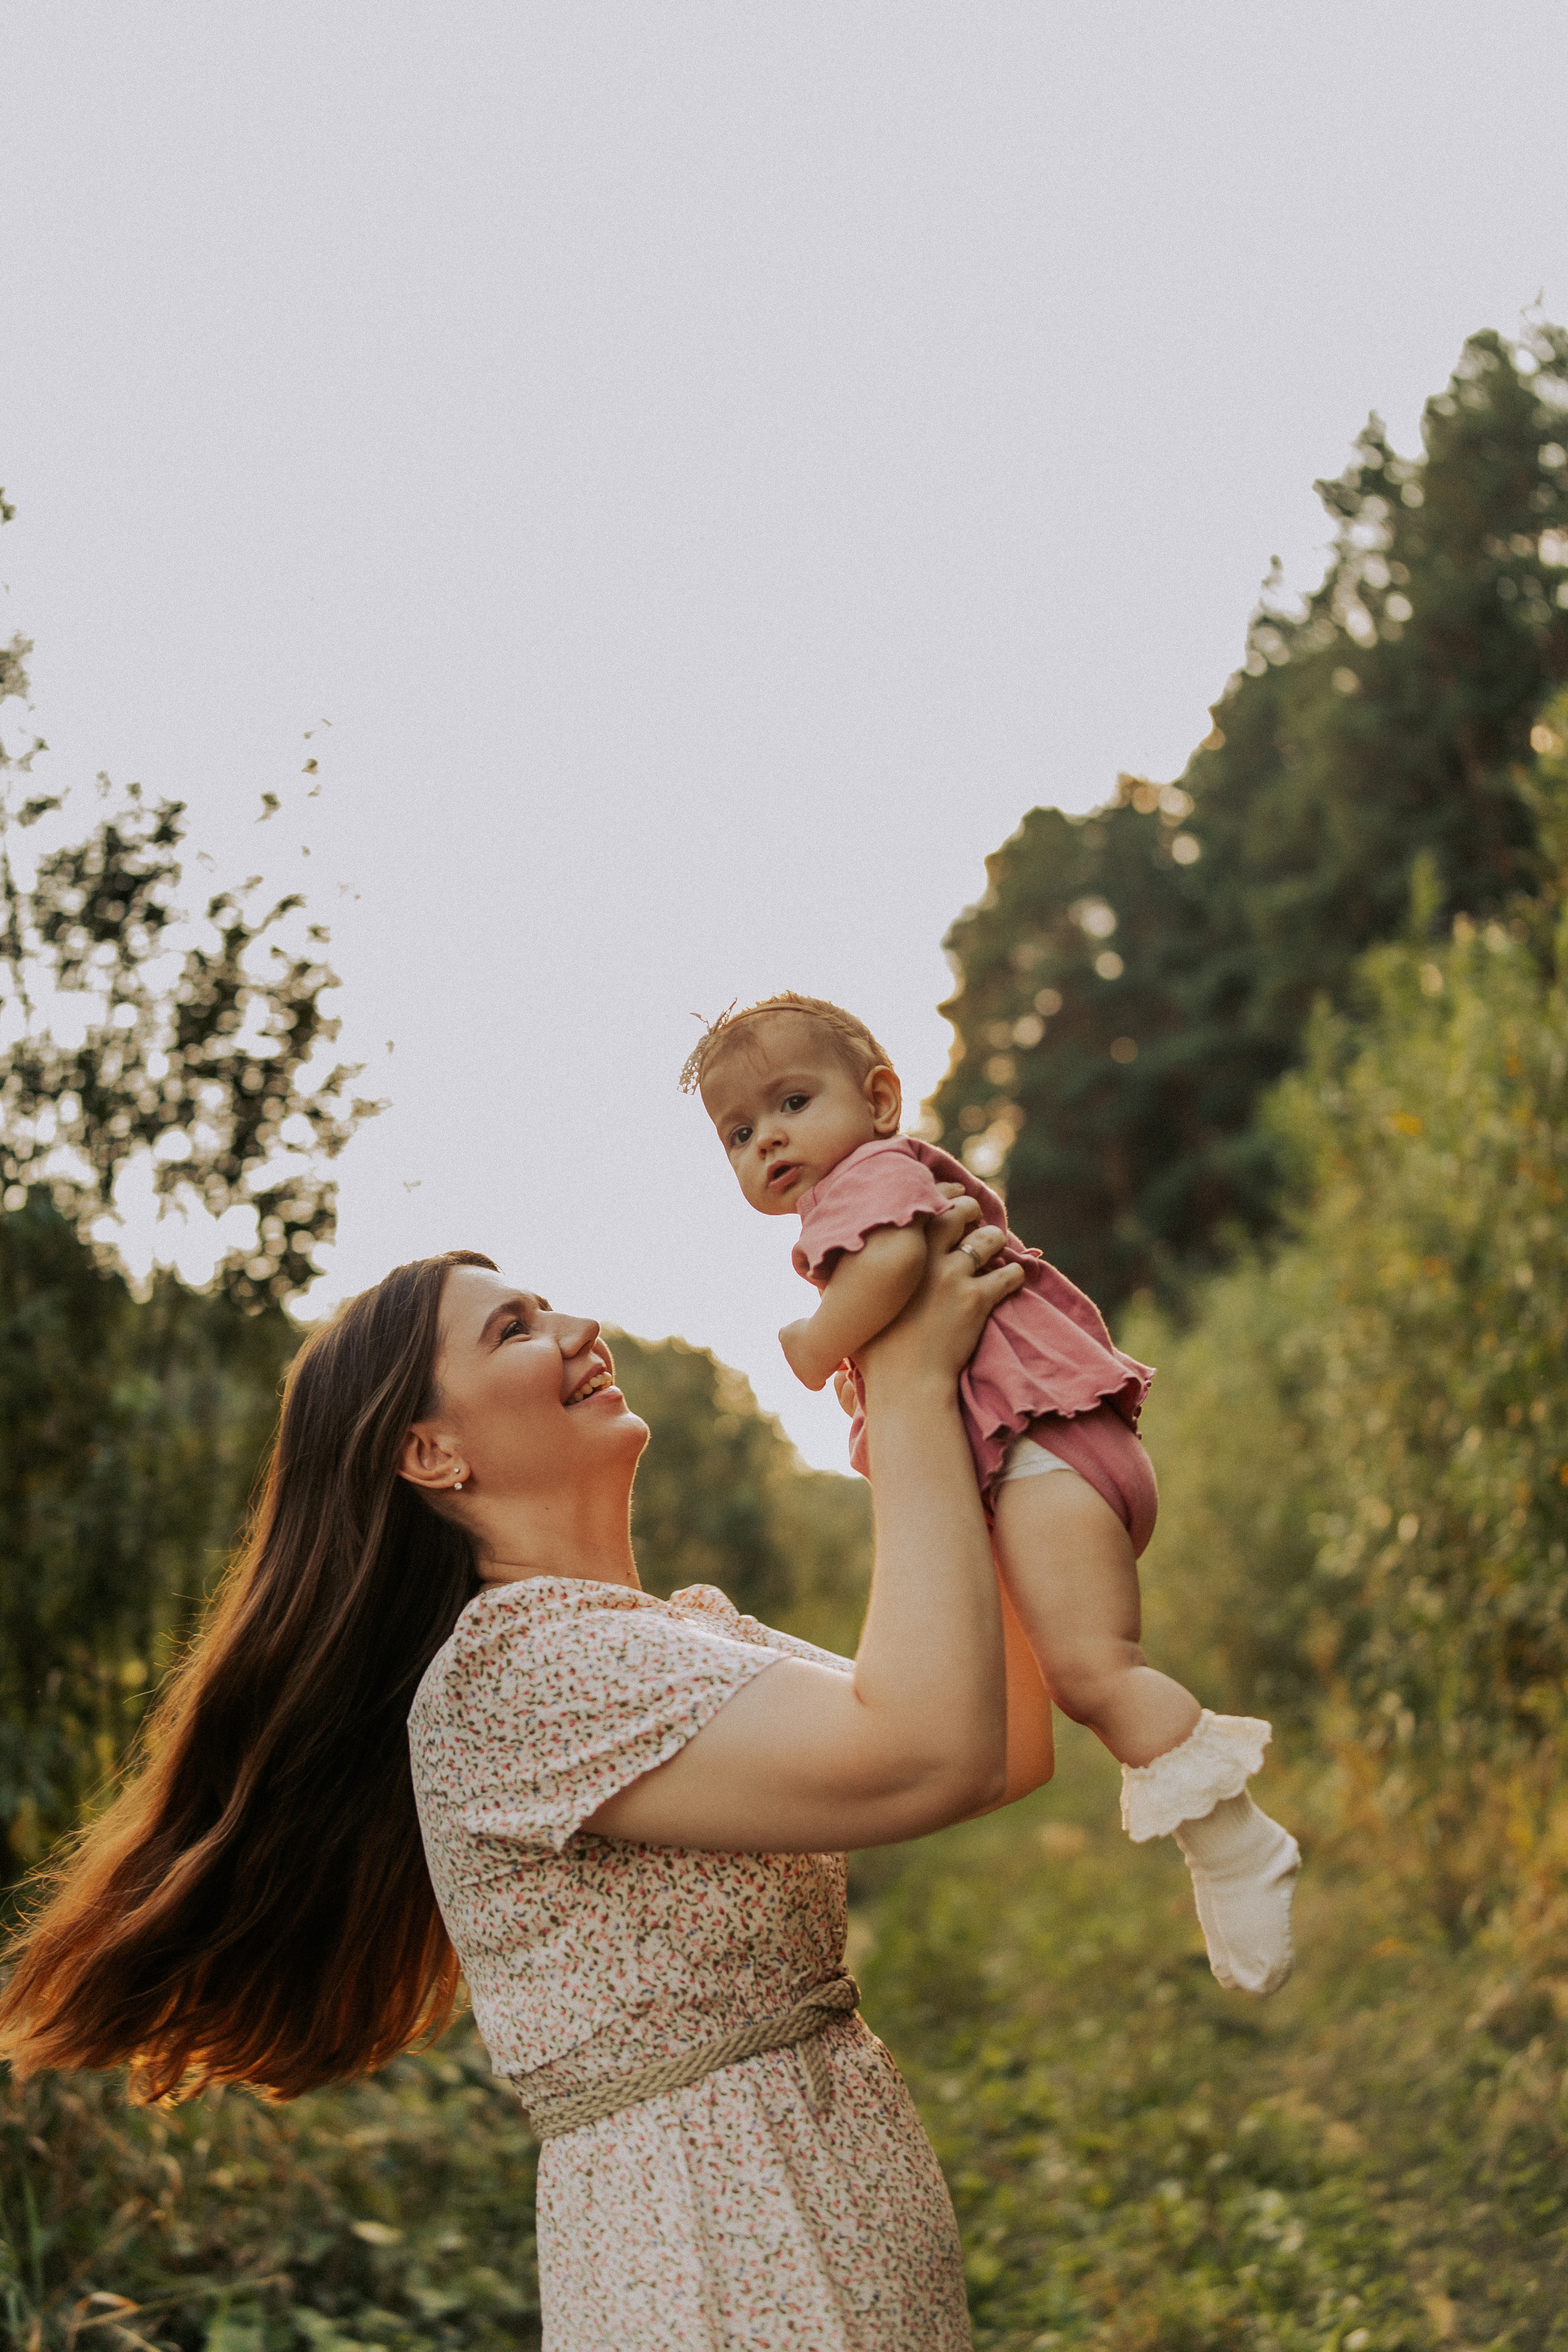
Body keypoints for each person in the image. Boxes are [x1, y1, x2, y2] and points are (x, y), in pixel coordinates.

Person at [0, 1212, 1054, 2351]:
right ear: (431, 1454)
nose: (578, 1331)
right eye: (515, 1329)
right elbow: (930, 1750)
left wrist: (967, 1414)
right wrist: (904, 1386)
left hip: (842, 2195)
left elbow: (995, 1743)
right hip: (708, 2255)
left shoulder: (672, 1641)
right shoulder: (518, 1675)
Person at [684, 991, 1300, 1998]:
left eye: (794, 1102)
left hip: (1040, 1448)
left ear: (879, 1099)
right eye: (740, 1134)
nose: (771, 1141)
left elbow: (888, 1268)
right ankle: (1220, 1846)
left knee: (1097, 1673)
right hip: (1047, 1454)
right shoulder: (868, 1181)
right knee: (1064, 1676)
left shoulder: (866, 1181)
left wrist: (813, 1345)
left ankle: (1235, 1843)